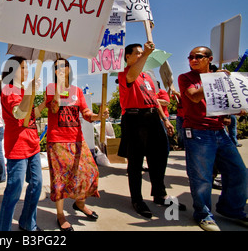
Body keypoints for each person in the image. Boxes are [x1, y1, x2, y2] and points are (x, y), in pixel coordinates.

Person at [178, 46, 247, 231]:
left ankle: (232, 209)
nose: (193, 59)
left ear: (210, 59)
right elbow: (193, 97)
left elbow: (224, 104)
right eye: (190, 56)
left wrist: (237, 108)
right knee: (202, 177)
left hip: (219, 131)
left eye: (198, 56)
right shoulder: (186, 78)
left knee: (238, 172)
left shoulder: (221, 77)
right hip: (198, 132)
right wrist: (215, 80)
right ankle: (203, 214)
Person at [118, 42, 184, 219]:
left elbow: (153, 99)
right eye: (138, 53)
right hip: (134, 119)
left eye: (143, 53)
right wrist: (146, 54)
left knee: (159, 157)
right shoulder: (125, 73)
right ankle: (137, 199)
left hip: (154, 118)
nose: (141, 55)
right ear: (128, 57)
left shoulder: (148, 77)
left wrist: (164, 119)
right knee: (136, 162)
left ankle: (159, 194)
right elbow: (131, 76)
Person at [44, 58, 108, 231]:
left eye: (64, 66)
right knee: (60, 179)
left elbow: (86, 113)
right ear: (55, 72)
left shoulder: (77, 91)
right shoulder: (50, 89)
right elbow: (55, 108)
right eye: (57, 68)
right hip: (58, 141)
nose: (61, 69)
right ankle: (60, 215)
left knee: (89, 172)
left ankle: (80, 203)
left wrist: (98, 115)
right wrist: (58, 86)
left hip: (77, 140)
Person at [0, 56, 43, 231]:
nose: (27, 71)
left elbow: (31, 115)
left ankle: (27, 222)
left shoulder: (23, 90)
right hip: (17, 146)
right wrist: (30, 91)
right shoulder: (8, 90)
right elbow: (18, 114)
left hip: (33, 144)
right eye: (23, 68)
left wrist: (44, 102)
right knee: (13, 191)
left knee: (37, 185)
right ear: (12, 69)